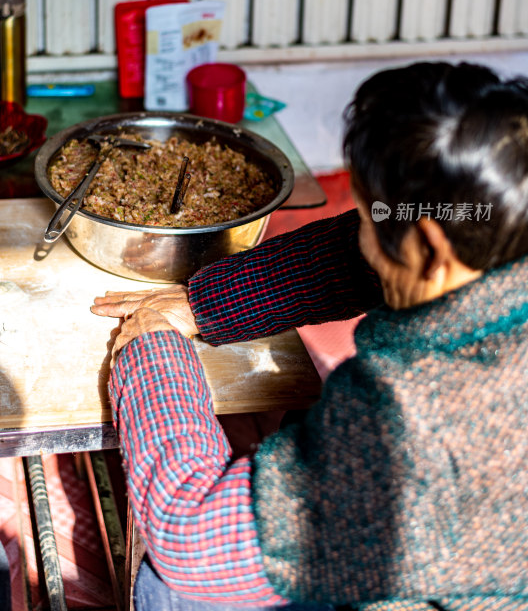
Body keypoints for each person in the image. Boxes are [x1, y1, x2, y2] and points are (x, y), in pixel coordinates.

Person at [91, 61, 528, 610]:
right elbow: (369, 252)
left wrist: (152, 352)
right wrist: (209, 300)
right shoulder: (497, 225)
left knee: (171, 587)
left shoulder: (426, 424)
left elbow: (191, 536)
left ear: (430, 249)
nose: (362, 232)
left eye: (366, 219)